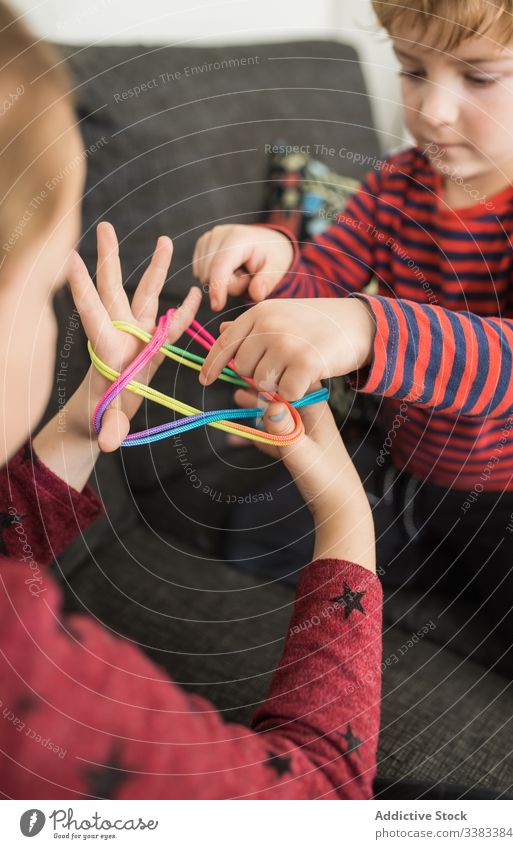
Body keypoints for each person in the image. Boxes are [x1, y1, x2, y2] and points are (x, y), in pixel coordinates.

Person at [0, 3, 382, 799]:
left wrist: (77, 420)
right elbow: (317, 804)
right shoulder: (36, 694)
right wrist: (346, 519)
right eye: (42, 294)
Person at [193, 0, 513, 683]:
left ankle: (464, 575)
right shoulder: (394, 185)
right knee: (253, 533)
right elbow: (321, 284)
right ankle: (444, 569)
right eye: (412, 70)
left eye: (478, 77)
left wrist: (368, 325)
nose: (432, 110)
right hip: (401, 471)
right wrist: (279, 262)